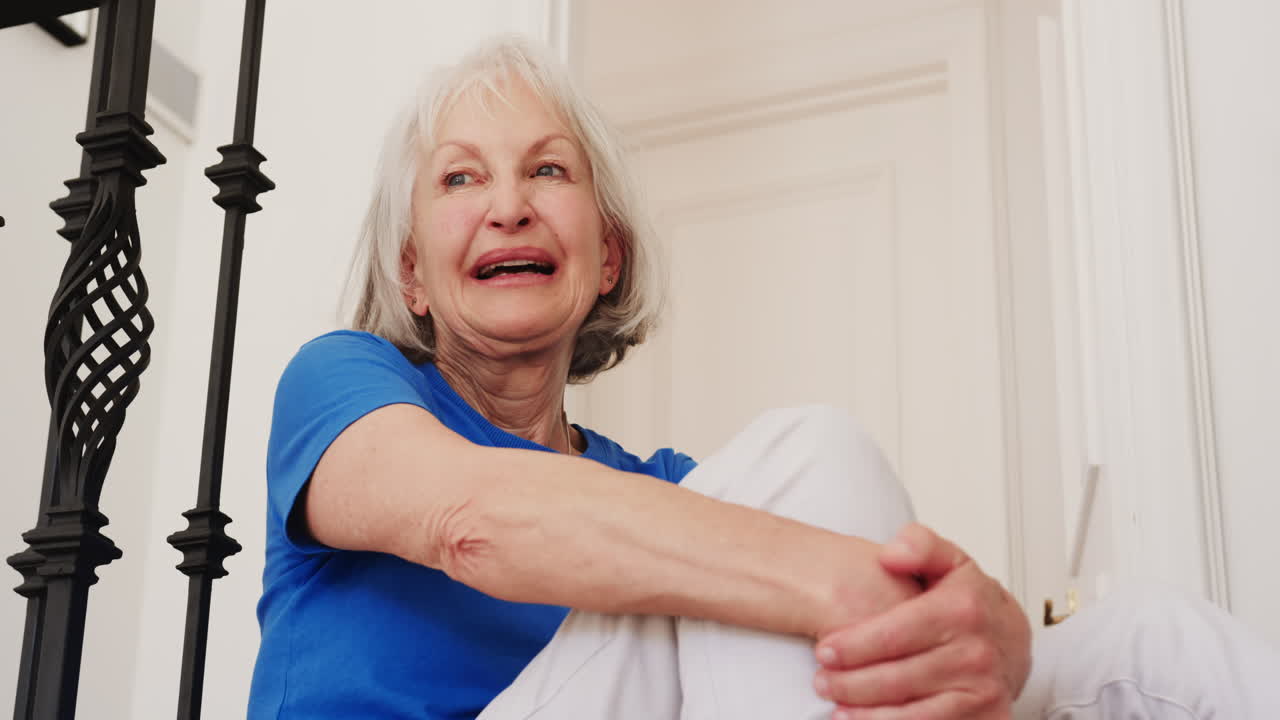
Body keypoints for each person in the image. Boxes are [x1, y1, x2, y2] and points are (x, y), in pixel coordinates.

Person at [246, 36, 1280, 719]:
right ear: (410, 272)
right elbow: (473, 517)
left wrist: (992, 628)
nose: (508, 206)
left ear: (605, 257)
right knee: (809, 458)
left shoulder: (676, 490)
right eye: (461, 177)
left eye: (547, 170)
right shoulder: (342, 383)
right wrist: (852, 589)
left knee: (1147, 639)